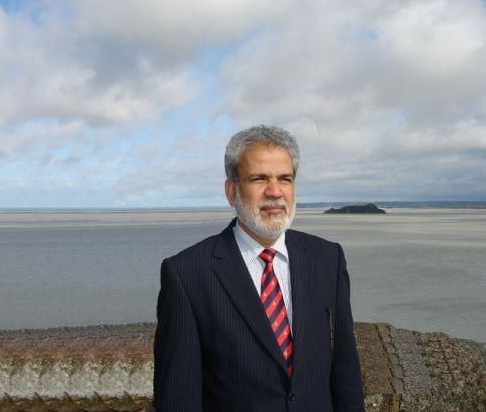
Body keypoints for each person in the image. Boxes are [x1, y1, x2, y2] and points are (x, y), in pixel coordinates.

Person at [153, 125, 365, 411]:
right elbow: (178, 397)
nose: (275, 192)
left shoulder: (328, 257)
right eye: (259, 179)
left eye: (285, 179)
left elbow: (345, 370)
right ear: (232, 191)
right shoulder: (187, 274)